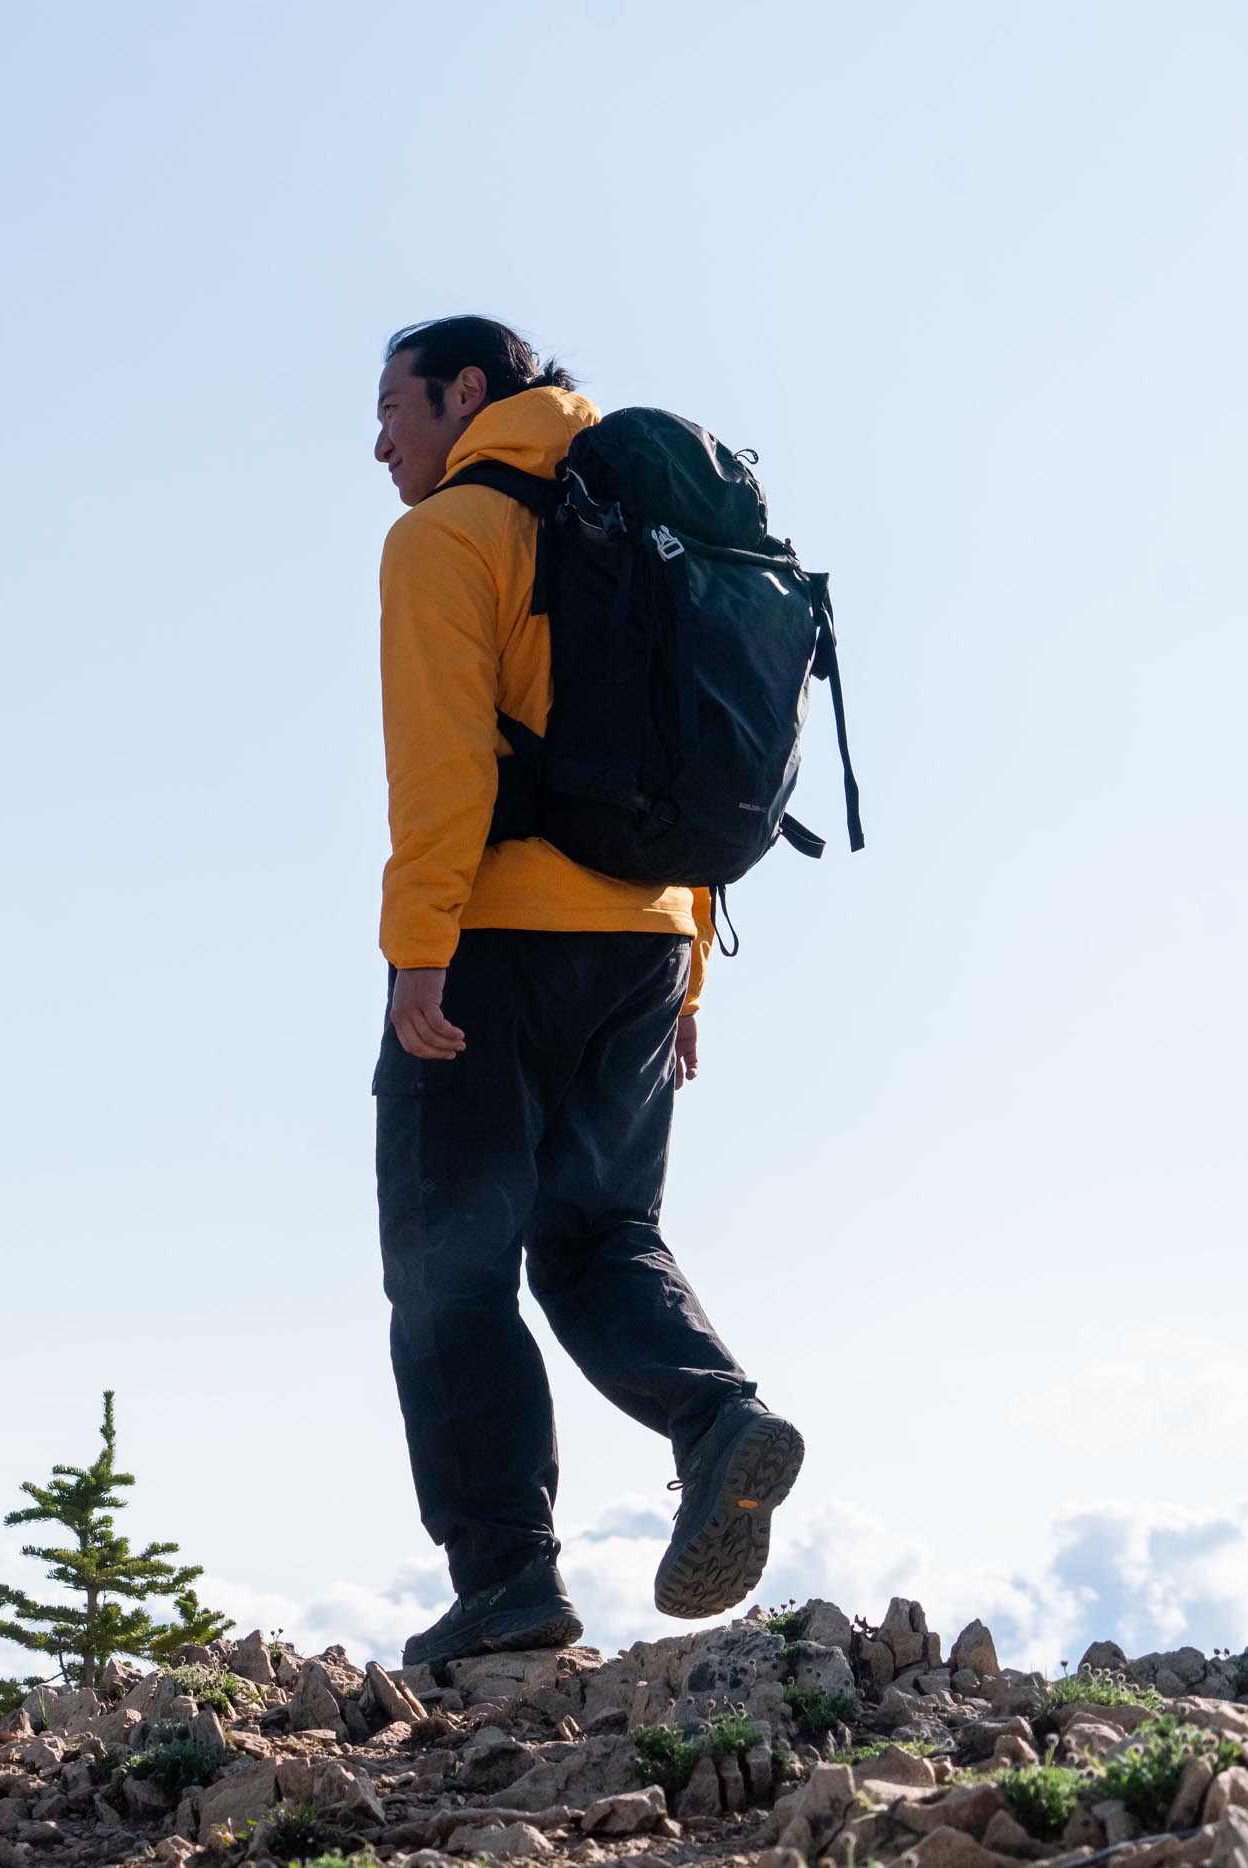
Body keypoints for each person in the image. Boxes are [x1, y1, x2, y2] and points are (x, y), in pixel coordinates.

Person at [369, 315, 804, 1666]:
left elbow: (445, 768)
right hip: (647, 938)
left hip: (494, 940)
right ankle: (713, 1417)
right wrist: (684, 987)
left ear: (466, 391)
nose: (382, 442)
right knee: (600, 1237)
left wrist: (417, 955)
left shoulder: (450, 536)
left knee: (449, 1269)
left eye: (395, 407)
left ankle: (507, 1580)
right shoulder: (639, 522)